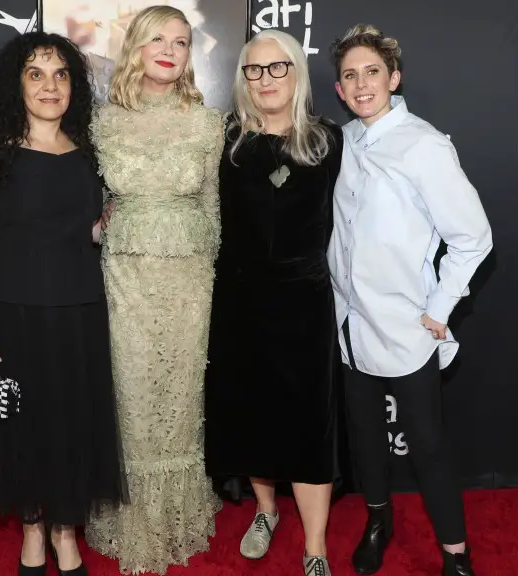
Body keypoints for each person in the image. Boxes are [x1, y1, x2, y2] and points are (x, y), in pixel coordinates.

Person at [0, 31, 128, 576]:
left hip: (80, 308)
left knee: (74, 426)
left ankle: (65, 531)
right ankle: (33, 531)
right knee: (23, 429)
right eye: (36, 74)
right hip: (15, 312)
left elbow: (88, 233)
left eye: (61, 74)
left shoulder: (90, 154)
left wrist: (109, 226)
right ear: (17, 84)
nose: (50, 86)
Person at [328, 24, 493, 576]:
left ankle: (457, 556)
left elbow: (474, 236)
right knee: (365, 440)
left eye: (371, 71)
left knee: (427, 445)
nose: (361, 83)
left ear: (394, 78)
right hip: (349, 323)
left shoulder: (424, 145)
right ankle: (379, 521)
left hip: (406, 327)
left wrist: (440, 308)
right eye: (349, 75)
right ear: (339, 89)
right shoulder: (342, 140)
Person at [83, 5, 224, 575]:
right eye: (159, 39)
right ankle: (132, 518)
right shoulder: (103, 121)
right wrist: (97, 231)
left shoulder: (207, 122)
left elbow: (213, 206)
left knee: (181, 398)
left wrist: (210, 272)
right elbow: (91, 207)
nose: (170, 49)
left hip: (190, 279)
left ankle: (176, 516)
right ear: (137, 45)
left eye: (182, 41)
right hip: (126, 277)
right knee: (133, 394)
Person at [203, 29, 342, 576]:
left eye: (277, 67)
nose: (266, 79)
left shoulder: (329, 141)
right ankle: (265, 512)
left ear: (296, 73)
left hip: (305, 304)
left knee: (309, 428)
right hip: (240, 305)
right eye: (254, 70)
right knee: (254, 418)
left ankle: (315, 547)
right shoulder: (228, 144)